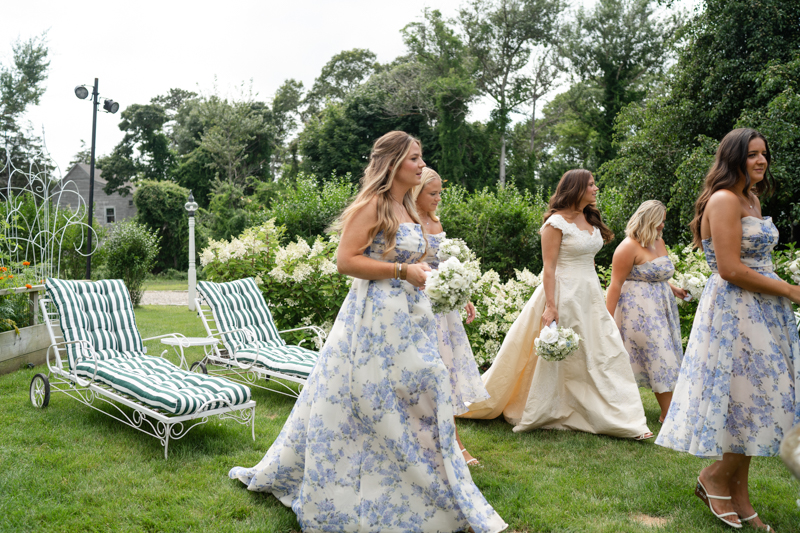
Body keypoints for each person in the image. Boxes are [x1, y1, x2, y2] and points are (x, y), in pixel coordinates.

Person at [229, 131, 507, 533]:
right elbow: (346, 260)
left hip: (412, 315)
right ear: (393, 163)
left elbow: (420, 261)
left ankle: (427, 485)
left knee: (424, 391)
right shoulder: (373, 205)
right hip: (376, 317)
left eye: (420, 157)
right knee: (380, 399)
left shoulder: (408, 206)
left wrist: (449, 283)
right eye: (414, 158)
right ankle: (375, 486)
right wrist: (401, 271)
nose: (420, 164)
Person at [656, 128, 800, 531]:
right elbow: (730, 269)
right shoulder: (722, 200)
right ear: (733, 157)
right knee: (747, 399)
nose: (761, 161)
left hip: (765, 310)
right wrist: (791, 289)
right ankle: (716, 477)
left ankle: (738, 493)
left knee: (755, 402)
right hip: (736, 312)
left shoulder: (750, 198)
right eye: (752, 154)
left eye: (764, 154)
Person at [461, 169, 652, 441]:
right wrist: (551, 306)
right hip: (564, 293)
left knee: (604, 352)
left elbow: (589, 258)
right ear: (576, 188)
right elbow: (548, 268)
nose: (596, 189)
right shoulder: (555, 223)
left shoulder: (590, 219)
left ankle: (621, 416)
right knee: (565, 354)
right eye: (591, 185)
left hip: (590, 294)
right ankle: (554, 407)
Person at [413, 167, 490, 467]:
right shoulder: (408, 223)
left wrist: (463, 295)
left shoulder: (435, 221)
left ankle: (455, 443)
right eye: (432, 193)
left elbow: (443, 266)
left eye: (439, 193)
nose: (437, 199)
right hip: (419, 306)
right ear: (415, 192)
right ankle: (441, 443)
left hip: (442, 310)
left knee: (446, 373)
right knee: (429, 375)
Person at [605, 200, 686, 423]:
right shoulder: (627, 247)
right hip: (639, 312)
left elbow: (652, 273)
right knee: (659, 355)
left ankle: (669, 410)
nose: (662, 226)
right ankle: (668, 413)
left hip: (662, 309)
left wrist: (674, 288)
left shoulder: (658, 241)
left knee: (666, 354)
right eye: (660, 222)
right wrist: (607, 319)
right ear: (649, 219)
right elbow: (616, 284)